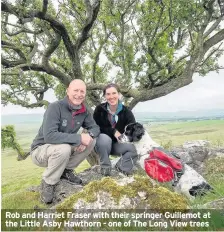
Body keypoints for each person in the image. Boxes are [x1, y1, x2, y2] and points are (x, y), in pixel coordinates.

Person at [30, 79, 100, 204]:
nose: (79, 94)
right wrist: (79, 139)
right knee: (64, 148)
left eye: (82, 91)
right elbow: (50, 136)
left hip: (62, 150)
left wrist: (87, 136)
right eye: (76, 90)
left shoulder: (84, 111)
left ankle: (66, 171)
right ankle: (48, 182)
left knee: (91, 141)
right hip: (40, 151)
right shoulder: (55, 107)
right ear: (68, 91)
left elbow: (95, 128)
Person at [94, 83, 138, 176]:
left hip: (117, 145)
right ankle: (105, 168)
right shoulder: (99, 109)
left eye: (114, 93)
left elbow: (132, 129)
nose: (111, 96)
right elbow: (96, 128)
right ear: (105, 96)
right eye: (108, 94)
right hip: (102, 145)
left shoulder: (127, 112)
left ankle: (121, 169)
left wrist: (125, 137)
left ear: (119, 94)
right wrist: (113, 131)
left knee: (134, 149)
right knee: (103, 139)